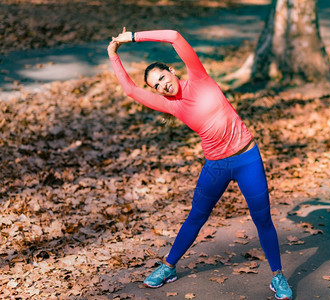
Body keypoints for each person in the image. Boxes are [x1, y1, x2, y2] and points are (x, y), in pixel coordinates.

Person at [107, 27, 293, 300]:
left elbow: (173, 36)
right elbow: (130, 90)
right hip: (216, 166)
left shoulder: (199, 76)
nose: (162, 86)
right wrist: (112, 53)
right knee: (197, 216)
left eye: (162, 77)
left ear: (172, 70)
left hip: (247, 158)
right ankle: (168, 266)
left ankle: (278, 277)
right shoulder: (171, 105)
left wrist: (132, 37)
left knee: (262, 218)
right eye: (156, 86)